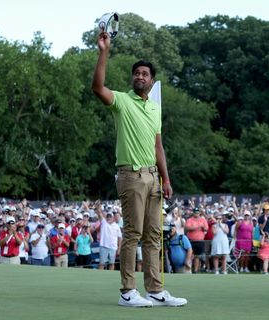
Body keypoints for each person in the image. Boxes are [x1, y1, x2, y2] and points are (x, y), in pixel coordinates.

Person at [92, 30, 187, 307]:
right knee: (133, 234)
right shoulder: (122, 101)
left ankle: (156, 290)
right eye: (136, 73)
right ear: (132, 78)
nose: (140, 77)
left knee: (154, 235)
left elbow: (159, 147)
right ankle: (127, 292)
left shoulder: (155, 109)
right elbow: (98, 88)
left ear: (152, 80)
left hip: (154, 177)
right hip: (130, 175)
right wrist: (104, 52)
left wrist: (166, 179)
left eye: (145, 74)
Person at [96, 203, 122, 271]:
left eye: (110, 216)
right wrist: (98, 206)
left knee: (112, 263)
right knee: (101, 263)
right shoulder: (104, 222)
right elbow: (99, 213)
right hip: (104, 246)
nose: (108, 218)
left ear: (113, 217)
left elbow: (120, 238)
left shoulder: (116, 226)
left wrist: (119, 248)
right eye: (107, 216)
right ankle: (100, 277)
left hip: (113, 247)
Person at [185, 207, 208, 273]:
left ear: (199, 213)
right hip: (191, 240)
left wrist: (203, 227)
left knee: (197, 256)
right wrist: (197, 227)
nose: (196, 214)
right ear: (193, 213)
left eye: (197, 212)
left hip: (200, 240)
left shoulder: (203, 220)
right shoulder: (190, 220)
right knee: (190, 255)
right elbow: (187, 227)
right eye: (195, 212)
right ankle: (189, 270)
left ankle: (195, 270)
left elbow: (206, 228)